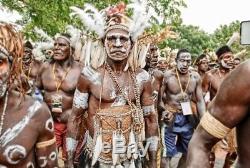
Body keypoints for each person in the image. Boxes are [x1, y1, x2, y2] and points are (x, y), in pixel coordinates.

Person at [67, 2, 159, 168]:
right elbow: (75, 118)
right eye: (112, 38)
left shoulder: (142, 77)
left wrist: (152, 160)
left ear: (131, 44)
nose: (117, 44)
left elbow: (151, 119)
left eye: (123, 39)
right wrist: (68, 160)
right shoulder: (89, 76)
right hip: (95, 154)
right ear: (104, 42)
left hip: (130, 155)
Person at [0, 23, 58, 167]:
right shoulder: (42, 67)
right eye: (55, 46)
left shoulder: (40, 66)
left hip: (38, 99)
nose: (57, 49)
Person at [187, 59, 250, 168]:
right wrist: (201, 117)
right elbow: (199, 98)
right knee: (212, 152)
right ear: (219, 59)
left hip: (232, 117)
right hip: (222, 115)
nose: (230, 60)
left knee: (229, 153)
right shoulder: (210, 76)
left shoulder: (232, 75)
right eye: (227, 57)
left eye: (231, 57)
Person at [36, 33, 82, 163]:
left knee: (72, 161)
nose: (57, 48)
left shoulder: (80, 69)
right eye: (55, 44)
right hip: (50, 123)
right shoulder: (45, 67)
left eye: (61, 45)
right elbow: (36, 90)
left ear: (71, 49)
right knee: (48, 160)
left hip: (72, 123)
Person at [159, 49, 205, 168]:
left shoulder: (195, 77)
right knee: (166, 154)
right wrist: (164, 111)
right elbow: (158, 100)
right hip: (170, 117)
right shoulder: (168, 76)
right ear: (176, 61)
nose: (185, 64)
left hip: (187, 118)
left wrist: (203, 120)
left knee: (188, 152)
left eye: (188, 61)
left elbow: (200, 101)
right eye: (182, 61)